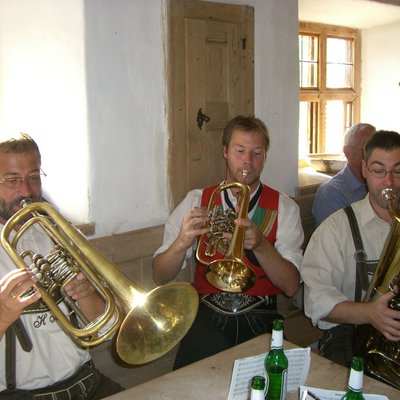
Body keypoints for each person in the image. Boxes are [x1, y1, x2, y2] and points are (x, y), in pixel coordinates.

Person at [152, 115, 303, 369]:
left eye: (257, 152)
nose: (247, 161)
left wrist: (261, 246)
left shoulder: (285, 207)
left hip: (261, 316)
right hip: (206, 315)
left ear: (265, 156)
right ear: (225, 152)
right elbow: (160, 275)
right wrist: (181, 243)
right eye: (239, 151)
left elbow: (290, 287)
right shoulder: (196, 200)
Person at [0, 133, 123, 399]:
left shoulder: (60, 231)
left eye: (33, 176)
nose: (25, 190)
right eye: (11, 180)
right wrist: (3, 313)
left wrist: (87, 294)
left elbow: (110, 330)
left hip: (86, 382)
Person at [301, 130, 400, 367]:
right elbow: (317, 300)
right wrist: (370, 313)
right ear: (364, 170)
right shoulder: (336, 229)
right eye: (378, 171)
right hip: (352, 335)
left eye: (398, 171)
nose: (389, 182)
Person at [312, 123, 376, 226]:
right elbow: (333, 238)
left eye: (377, 148)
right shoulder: (331, 193)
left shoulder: (380, 183)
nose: (375, 154)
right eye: (367, 148)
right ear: (348, 152)